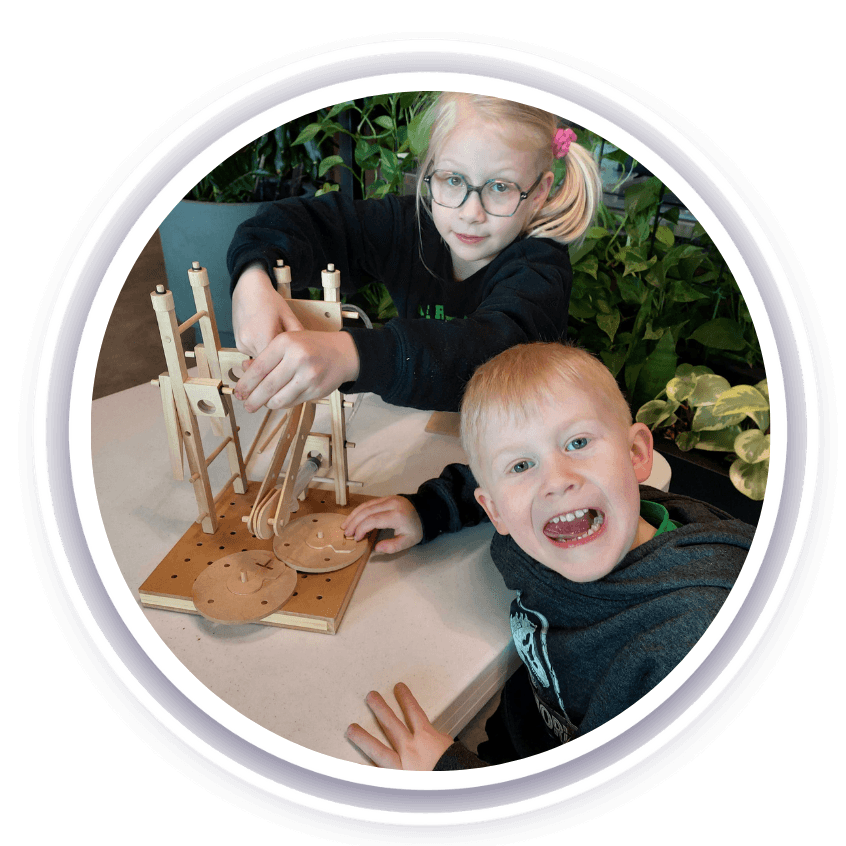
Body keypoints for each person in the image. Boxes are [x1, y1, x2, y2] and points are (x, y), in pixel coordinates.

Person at [341, 343, 753, 769]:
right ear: (494, 510)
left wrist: (447, 776)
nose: (556, 481)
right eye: (523, 466)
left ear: (636, 455)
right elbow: (485, 474)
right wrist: (428, 509)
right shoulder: (542, 526)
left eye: (577, 442)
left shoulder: (688, 647)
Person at [227, 93, 601, 413]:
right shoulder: (410, 224)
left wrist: (352, 354)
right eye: (453, 180)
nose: (471, 213)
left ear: (537, 193)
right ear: (430, 172)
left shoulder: (540, 267)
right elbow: (298, 222)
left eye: (499, 187)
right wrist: (252, 278)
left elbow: (490, 355)